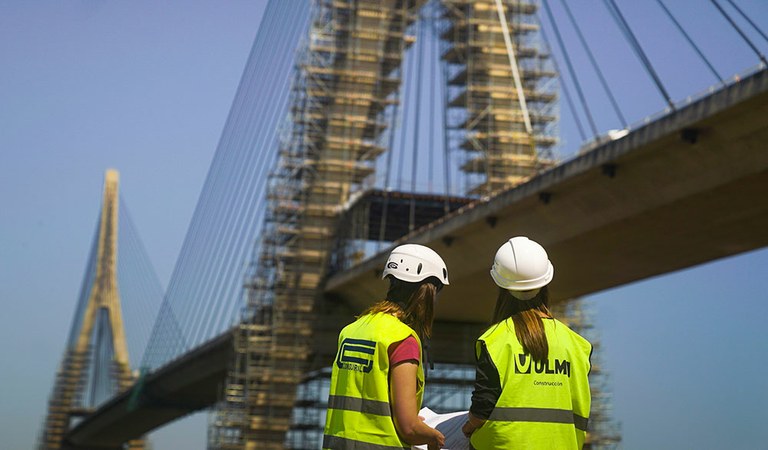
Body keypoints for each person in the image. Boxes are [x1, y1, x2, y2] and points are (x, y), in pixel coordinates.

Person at [462, 236, 592, 449]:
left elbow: (482, 411)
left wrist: (468, 426)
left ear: (501, 285)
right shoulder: (578, 345)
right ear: (545, 283)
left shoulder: (494, 340)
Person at [323, 244, 449, 450]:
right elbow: (408, 428)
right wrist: (434, 438)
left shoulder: (351, 330)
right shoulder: (402, 339)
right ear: (426, 291)